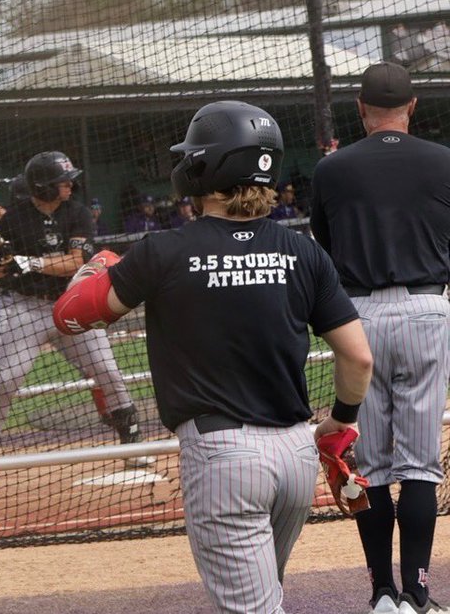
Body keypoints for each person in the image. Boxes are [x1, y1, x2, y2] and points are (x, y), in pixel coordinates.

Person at [54, 100, 373, 614]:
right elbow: (358, 359)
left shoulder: (163, 251)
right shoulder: (303, 251)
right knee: (265, 597)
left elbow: (71, 316)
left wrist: (95, 268)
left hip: (224, 456)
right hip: (295, 457)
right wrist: (339, 426)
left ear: (202, 168)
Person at [309, 62, 450, 614]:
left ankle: (381, 594)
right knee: (419, 465)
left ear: (361, 107)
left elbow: (326, 240)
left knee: (365, 466)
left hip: (356, 315)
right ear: (412, 106)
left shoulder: (332, 168)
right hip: (426, 308)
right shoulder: (444, 161)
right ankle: (417, 592)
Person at [0, 150, 152, 482]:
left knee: (106, 370)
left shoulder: (78, 214)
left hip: (71, 304)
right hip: (22, 307)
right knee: (6, 380)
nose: (70, 185)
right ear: (43, 187)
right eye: (62, 182)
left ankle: (132, 443)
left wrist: (30, 262)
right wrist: (0, 262)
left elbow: (76, 261)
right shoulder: (12, 220)